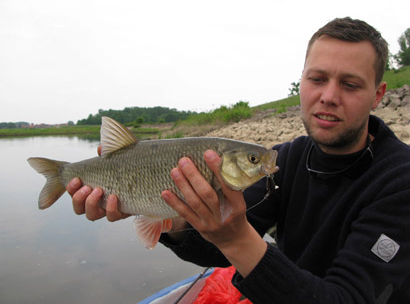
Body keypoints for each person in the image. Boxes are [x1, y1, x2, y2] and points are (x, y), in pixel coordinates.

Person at [67, 17, 410, 303]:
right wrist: (170, 214)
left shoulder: (400, 181)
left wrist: (235, 238)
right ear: (302, 81)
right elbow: (215, 250)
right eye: (317, 79)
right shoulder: (288, 159)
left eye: (350, 84)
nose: (329, 96)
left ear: (378, 95)